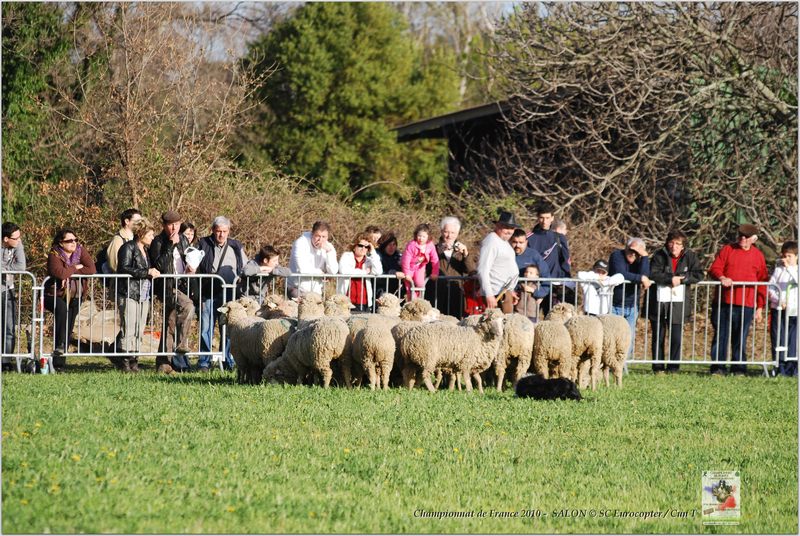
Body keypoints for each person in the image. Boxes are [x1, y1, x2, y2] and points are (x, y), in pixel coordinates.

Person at [708, 224, 769, 376]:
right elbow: (715, 268)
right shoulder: (728, 249)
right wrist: (722, 277)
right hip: (724, 302)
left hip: (746, 304)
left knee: (740, 337)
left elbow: (763, 281)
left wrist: (760, 306)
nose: (742, 239)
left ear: (754, 239)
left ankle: (739, 368)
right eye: (740, 235)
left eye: (746, 237)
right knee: (720, 336)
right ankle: (718, 368)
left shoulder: (758, 256)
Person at [645, 231, 704, 374]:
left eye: (678, 244)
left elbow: (698, 274)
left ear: (683, 246)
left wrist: (682, 280)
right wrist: (670, 278)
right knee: (658, 335)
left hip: (678, 302)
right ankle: (658, 367)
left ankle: (673, 367)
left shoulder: (690, 256)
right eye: (672, 243)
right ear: (667, 243)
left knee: (676, 337)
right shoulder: (659, 255)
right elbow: (653, 273)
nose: (674, 246)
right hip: (659, 302)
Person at [197, 216, 248, 372]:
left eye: (224, 231)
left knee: (227, 329)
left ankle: (227, 360)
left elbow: (245, 267)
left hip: (229, 295)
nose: (221, 235)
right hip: (208, 292)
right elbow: (195, 266)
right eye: (218, 231)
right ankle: (204, 362)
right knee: (206, 328)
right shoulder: (202, 244)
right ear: (213, 230)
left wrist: (241, 277)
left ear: (229, 231)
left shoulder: (236, 246)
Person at [149, 210, 196, 374]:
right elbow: (158, 265)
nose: (174, 227)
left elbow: (188, 258)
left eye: (177, 224)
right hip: (167, 287)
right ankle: (181, 343)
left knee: (170, 323)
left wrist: (191, 268)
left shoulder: (183, 239)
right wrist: (170, 245)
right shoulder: (158, 242)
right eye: (170, 225)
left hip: (182, 285)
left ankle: (164, 363)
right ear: (164, 226)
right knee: (188, 307)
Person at [44, 228, 96, 372]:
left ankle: (59, 364)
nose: (73, 243)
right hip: (54, 295)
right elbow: (59, 273)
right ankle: (59, 348)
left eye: (75, 239)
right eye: (69, 241)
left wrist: (70, 272)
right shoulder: (54, 254)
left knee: (68, 326)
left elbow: (91, 269)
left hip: (76, 295)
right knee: (62, 312)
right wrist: (75, 267)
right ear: (61, 243)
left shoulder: (80, 250)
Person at [115, 218, 160, 373]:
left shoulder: (145, 251)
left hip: (143, 294)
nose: (152, 237)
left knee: (139, 328)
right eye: (150, 234)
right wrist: (146, 272)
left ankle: (134, 360)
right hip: (129, 292)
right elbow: (123, 268)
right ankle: (125, 361)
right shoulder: (128, 248)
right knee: (129, 328)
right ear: (142, 233)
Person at [424, 217, 476, 318]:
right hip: (436, 293)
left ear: (457, 233)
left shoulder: (462, 250)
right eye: (446, 232)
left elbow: (471, 271)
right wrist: (438, 252)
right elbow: (426, 268)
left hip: (456, 293)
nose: (449, 236)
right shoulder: (432, 248)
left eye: (453, 233)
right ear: (441, 231)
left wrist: (466, 255)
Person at [608, 237, 652, 355]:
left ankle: (623, 366)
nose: (632, 254)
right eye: (630, 250)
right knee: (612, 337)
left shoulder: (641, 260)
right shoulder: (617, 255)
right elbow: (620, 273)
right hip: (614, 305)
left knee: (629, 338)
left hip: (632, 306)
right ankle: (610, 364)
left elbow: (645, 275)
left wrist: (645, 257)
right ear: (626, 248)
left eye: (636, 252)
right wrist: (640, 278)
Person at [526, 203, 573, 314]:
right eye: (542, 218)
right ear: (538, 218)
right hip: (535, 284)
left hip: (555, 285)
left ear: (552, 218)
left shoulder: (559, 237)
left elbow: (565, 260)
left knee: (554, 319)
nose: (544, 221)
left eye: (547, 218)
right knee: (531, 318)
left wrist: (567, 280)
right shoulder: (529, 238)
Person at [477, 210, 520, 314]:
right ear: (498, 226)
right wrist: (489, 294)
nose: (509, 231)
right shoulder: (491, 241)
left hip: (504, 292)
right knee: (499, 326)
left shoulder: (504, 242)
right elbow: (483, 269)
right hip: (496, 293)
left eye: (512, 228)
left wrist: (511, 290)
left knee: (506, 326)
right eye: (506, 227)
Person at [767, 240, 798, 377]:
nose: (786, 259)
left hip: (795, 311)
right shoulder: (778, 270)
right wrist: (779, 300)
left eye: (790, 256)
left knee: (793, 341)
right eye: (784, 256)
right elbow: (771, 287)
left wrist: (790, 268)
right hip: (779, 310)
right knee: (779, 339)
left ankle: (793, 368)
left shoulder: (795, 271)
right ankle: (780, 368)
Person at [288, 221, 339, 297]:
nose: (320, 239)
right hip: (297, 288)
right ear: (312, 234)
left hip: (316, 290)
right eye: (317, 236)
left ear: (327, 237)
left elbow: (333, 271)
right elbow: (303, 269)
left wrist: (329, 252)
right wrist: (321, 274)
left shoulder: (329, 247)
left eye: (323, 237)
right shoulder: (300, 243)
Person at [338, 232, 383, 312]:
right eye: (360, 245)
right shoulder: (347, 256)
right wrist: (364, 272)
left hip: (363, 301)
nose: (363, 248)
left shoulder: (370, 260)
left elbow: (378, 271)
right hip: (346, 301)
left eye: (366, 247)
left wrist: (373, 251)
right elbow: (344, 270)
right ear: (354, 246)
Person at [2, 222, 26, 360]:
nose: (19, 240)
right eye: (16, 238)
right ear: (6, 239)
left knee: (9, 329)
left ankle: (6, 361)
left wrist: (5, 269)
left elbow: (21, 267)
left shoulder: (17, 244)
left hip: (8, 291)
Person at [401, 223, 439, 301]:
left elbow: (435, 259)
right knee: (408, 283)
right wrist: (406, 273)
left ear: (428, 237)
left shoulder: (430, 246)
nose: (421, 238)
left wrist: (435, 273)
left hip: (420, 267)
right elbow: (406, 259)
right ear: (416, 235)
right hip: (410, 267)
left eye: (423, 236)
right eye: (419, 236)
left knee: (420, 283)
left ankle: (418, 299)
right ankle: (411, 298)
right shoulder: (411, 245)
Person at [510, 228, 551, 302]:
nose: (517, 245)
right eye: (514, 242)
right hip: (509, 296)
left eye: (521, 242)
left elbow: (546, 277)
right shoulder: (505, 254)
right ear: (510, 241)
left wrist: (539, 294)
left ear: (526, 242)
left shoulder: (533, 255)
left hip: (529, 300)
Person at [105, 208, 142, 273]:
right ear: (127, 221)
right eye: (137, 221)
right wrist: (132, 273)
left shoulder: (138, 238)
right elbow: (114, 263)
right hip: (122, 281)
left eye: (141, 221)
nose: (141, 224)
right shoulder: (118, 240)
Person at [376, 232, 405, 297]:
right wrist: (392, 273)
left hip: (397, 291)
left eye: (394, 244)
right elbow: (377, 274)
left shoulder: (399, 256)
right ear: (384, 246)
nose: (391, 247)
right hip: (381, 291)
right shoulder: (377, 255)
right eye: (389, 245)